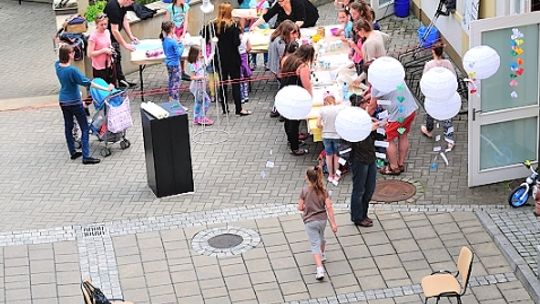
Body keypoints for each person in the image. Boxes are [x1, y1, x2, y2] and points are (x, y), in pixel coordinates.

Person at [55, 45, 113, 165]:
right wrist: (106, 88)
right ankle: (86, 156)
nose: (73, 54)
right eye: (72, 52)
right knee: (84, 128)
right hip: (74, 102)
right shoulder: (72, 70)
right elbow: (88, 83)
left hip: (63, 101)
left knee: (68, 126)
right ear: (68, 55)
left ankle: (72, 151)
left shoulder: (57, 66)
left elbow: (58, 57)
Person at [368, 83, 418, 175]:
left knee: (388, 140)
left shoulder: (377, 84)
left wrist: (365, 117)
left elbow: (372, 106)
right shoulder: (396, 75)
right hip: (409, 112)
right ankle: (401, 163)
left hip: (396, 117)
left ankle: (393, 167)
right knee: (402, 135)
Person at [297, 166, 337, 281]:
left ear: (308, 178)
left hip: (310, 221)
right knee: (321, 238)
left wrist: (305, 206)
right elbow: (329, 207)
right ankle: (322, 254)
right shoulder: (323, 191)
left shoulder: (304, 191)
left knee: (315, 244)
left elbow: (300, 207)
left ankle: (319, 269)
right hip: (322, 220)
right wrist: (333, 224)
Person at [213, 2, 252, 116]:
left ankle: (225, 108)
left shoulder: (214, 25)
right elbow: (237, 42)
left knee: (223, 83)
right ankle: (239, 109)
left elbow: (205, 36)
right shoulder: (233, 26)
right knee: (235, 83)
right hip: (233, 58)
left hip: (220, 58)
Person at [350, 96, 379, 227]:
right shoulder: (352, 121)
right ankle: (357, 216)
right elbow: (356, 138)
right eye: (363, 103)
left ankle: (364, 213)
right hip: (359, 159)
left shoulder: (365, 118)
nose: (366, 105)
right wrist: (370, 129)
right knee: (359, 189)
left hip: (370, 156)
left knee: (370, 188)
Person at [421, 42, 456, 151]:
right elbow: (454, 76)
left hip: (433, 94)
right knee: (447, 116)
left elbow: (424, 79)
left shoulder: (429, 65)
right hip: (445, 94)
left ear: (433, 52)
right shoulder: (447, 63)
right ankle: (449, 140)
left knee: (430, 112)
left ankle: (429, 130)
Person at [280, 44, 314, 155]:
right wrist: (310, 97)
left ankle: (291, 140)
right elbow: (306, 84)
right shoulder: (302, 66)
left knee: (288, 120)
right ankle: (295, 147)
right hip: (295, 96)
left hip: (285, 92)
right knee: (294, 122)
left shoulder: (290, 59)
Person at [104, 0, 138, 88]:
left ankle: (122, 81)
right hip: (107, 38)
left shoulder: (123, 6)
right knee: (112, 61)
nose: (132, 4)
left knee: (117, 58)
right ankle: (112, 85)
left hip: (114, 36)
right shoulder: (113, 7)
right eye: (131, 1)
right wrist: (125, 45)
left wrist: (131, 36)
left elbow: (124, 20)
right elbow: (114, 30)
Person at [317, 92, 344, 184]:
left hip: (326, 136)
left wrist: (324, 127)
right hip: (337, 135)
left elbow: (318, 124)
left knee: (329, 156)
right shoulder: (339, 109)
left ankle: (330, 175)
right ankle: (337, 175)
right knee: (337, 156)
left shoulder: (322, 110)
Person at [160, 21, 187, 110]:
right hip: (175, 64)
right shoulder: (172, 41)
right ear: (171, 29)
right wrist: (182, 45)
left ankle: (171, 100)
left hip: (168, 64)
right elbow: (179, 54)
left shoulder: (164, 40)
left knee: (171, 82)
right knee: (175, 84)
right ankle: (176, 104)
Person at [186, 45, 214, 125]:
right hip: (197, 86)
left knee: (198, 102)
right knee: (206, 101)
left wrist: (210, 57)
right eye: (200, 52)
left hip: (201, 85)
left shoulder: (198, 61)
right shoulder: (193, 65)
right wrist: (201, 77)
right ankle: (201, 117)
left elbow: (203, 66)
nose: (201, 53)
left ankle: (196, 118)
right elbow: (192, 77)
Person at [249, 0, 319, 30]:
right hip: (294, 23)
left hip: (308, 20)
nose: (279, 3)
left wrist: (288, 30)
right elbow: (267, 16)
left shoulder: (297, 3)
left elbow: (300, 21)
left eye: (281, 0)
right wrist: (254, 25)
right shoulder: (279, 3)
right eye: (278, 1)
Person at [87, 13, 115, 84]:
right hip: (99, 68)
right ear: (96, 24)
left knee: (112, 87)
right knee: (103, 90)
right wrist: (104, 50)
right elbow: (89, 54)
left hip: (109, 64)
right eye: (101, 25)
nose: (104, 27)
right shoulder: (93, 37)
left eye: (105, 24)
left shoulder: (107, 32)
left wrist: (111, 49)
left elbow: (108, 44)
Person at [238, 31, 253, 103]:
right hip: (244, 56)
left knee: (239, 77)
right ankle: (246, 94)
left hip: (236, 57)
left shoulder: (233, 36)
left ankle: (241, 96)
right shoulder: (246, 36)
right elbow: (249, 47)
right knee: (245, 76)